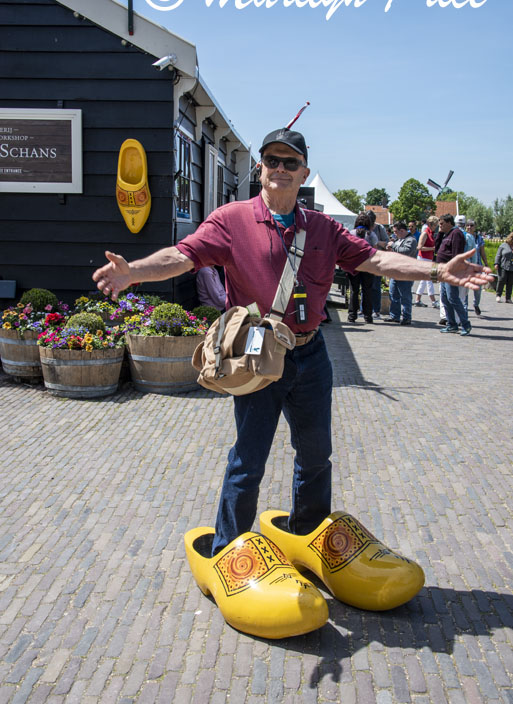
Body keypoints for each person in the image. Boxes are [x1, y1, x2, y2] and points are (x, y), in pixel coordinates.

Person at [92, 128, 492, 560]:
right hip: (258, 354)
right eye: (272, 161)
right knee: (249, 459)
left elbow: (376, 260)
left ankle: (308, 538)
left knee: (317, 454)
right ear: (261, 168)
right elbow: (183, 255)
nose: (280, 169)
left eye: (290, 162)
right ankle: (229, 553)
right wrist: (134, 271)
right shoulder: (231, 220)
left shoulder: (321, 228)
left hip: (312, 353)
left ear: (304, 172)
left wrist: (436, 272)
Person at [435, 213, 472, 335]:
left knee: (453, 298)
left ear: (449, 223)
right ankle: (451, 324)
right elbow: (436, 247)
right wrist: (440, 233)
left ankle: (465, 324)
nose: (440, 226)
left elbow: (456, 253)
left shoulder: (456, 234)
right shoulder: (446, 234)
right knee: (445, 298)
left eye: (442, 224)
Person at [384, 221, 418, 325]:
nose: (394, 234)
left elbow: (405, 251)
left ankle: (407, 317)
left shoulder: (411, 240)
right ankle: (395, 316)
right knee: (393, 294)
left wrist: (393, 245)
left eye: (396, 232)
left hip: (405, 272)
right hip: (395, 271)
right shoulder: (399, 239)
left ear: (402, 230)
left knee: (405, 296)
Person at [347, 212, 378, 324]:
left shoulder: (351, 233)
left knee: (354, 291)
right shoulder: (371, 235)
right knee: (367, 290)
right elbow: (375, 252)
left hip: (354, 265)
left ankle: (352, 315)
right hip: (368, 266)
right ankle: (368, 316)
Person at [414, 215, 440, 308]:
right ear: (430, 224)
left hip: (429, 258)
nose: (436, 226)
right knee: (428, 280)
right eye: (435, 225)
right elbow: (419, 247)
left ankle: (418, 299)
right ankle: (433, 301)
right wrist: (432, 248)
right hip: (423, 258)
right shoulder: (425, 233)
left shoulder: (432, 233)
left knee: (426, 280)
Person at [366, 209, 388, 318]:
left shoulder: (380, 228)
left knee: (375, 286)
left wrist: (376, 242)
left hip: (377, 261)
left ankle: (376, 310)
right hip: (365, 260)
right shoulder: (362, 228)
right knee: (365, 286)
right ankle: (363, 309)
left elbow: (387, 243)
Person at [466, 221, 488, 315]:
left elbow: (482, 252)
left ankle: (476, 304)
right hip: (466, 266)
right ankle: (464, 307)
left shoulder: (479, 238)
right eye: (468, 225)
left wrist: (486, 264)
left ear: (475, 227)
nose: (469, 227)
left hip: (477, 266)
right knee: (465, 287)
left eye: (471, 225)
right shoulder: (463, 236)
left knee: (478, 288)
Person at [494, 232, 513, 303]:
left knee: (510, 283)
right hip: (503, 266)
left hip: (511, 267)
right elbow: (498, 255)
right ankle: (498, 295)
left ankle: (508, 298)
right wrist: (496, 263)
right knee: (501, 280)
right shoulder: (503, 245)